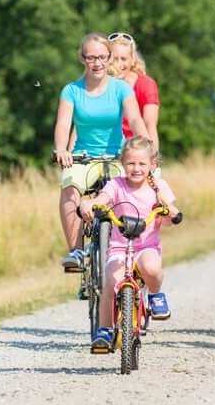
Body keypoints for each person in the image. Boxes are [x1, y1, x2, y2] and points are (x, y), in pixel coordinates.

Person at [54, 33, 148, 271]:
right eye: (91, 57)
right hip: (83, 157)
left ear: (109, 59)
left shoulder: (121, 89)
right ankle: (75, 250)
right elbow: (64, 124)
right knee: (69, 187)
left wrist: (145, 146)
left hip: (116, 156)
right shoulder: (72, 91)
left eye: (102, 57)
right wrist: (62, 150)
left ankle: (131, 250)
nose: (97, 63)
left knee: (130, 195)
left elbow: (135, 119)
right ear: (82, 59)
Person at [79, 136, 180, 351]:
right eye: (131, 163)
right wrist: (92, 204)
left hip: (146, 247)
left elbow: (170, 217)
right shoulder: (116, 185)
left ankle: (154, 294)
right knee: (110, 280)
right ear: (122, 164)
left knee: (152, 268)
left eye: (142, 163)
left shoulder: (158, 187)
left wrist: (171, 212)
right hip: (119, 248)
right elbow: (103, 199)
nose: (136, 168)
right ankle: (105, 329)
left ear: (153, 164)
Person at [108, 32, 160, 150]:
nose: (119, 64)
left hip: (134, 148)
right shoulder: (99, 84)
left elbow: (150, 125)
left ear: (132, 60)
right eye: (114, 59)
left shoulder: (146, 84)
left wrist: (153, 156)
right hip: (104, 148)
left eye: (124, 59)